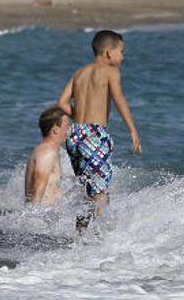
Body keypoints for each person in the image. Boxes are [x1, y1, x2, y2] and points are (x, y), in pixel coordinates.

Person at [57, 30, 141, 231]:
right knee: (101, 192)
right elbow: (119, 99)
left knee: (88, 191)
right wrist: (133, 130)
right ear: (109, 52)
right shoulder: (111, 71)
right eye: (122, 51)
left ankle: (79, 237)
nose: (123, 56)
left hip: (75, 134)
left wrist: (78, 116)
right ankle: (100, 238)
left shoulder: (79, 73)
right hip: (94, 134)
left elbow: (61, 102)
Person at [24, 106, 70, 205]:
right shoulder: (47, 153)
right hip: (42, 217)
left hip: (48, 215)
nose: (69, 129)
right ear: (56, 130)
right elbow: (38, 189)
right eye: (66, 125)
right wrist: (32, 219)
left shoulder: (47, 150)